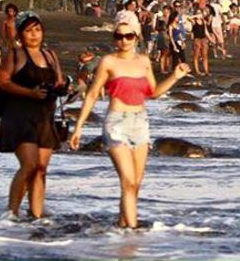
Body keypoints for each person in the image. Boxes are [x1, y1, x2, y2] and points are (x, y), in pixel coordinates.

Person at [70, 22, 190, 229]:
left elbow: (153, 93)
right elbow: (91, 94)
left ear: (136, 37)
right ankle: (133, 233)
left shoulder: (143, 61)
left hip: (140, 123)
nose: (123, 40)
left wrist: (174, 76)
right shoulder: (108, 61)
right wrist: (79, 127)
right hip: (116, 123)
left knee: (136, 184)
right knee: (128, 181)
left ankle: (122, 226)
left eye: (128, 36)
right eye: (119, 36)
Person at [0, 11, 66, 219]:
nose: (34, 35)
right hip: (19, 116)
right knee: (29, 165)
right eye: (28, 31)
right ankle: (11, 212)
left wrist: (63, 88)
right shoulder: (15, 55)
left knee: (42, 168)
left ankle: (36, 214)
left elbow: (59, 81)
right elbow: (3, 82)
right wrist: (30, 93)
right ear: (20, 34)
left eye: (37, 29)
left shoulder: (50, 55)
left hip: (44, 116)